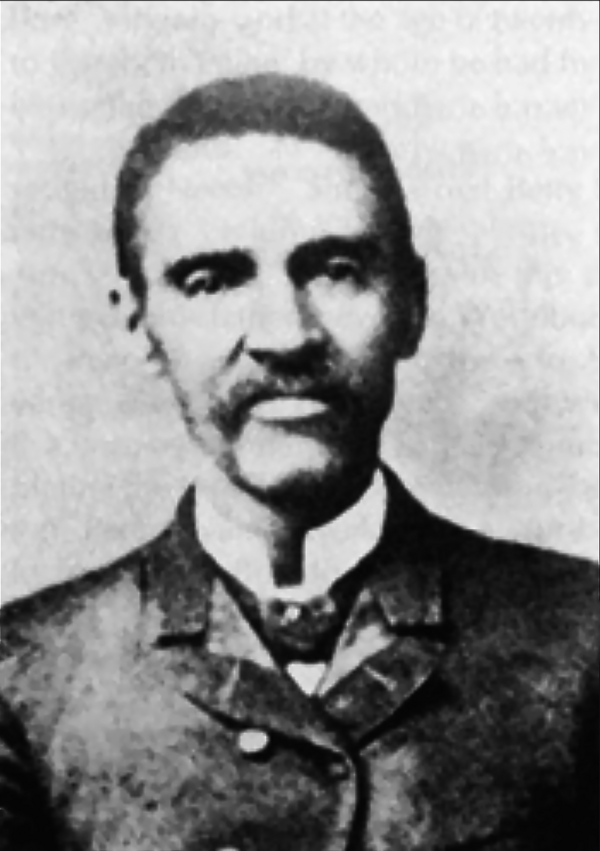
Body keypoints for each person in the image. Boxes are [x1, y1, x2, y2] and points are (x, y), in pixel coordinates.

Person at [0, 73, 597, 851]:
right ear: (138, 323)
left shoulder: (581, 641)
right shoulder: (24, 683)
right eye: (213, 280)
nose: (285, 334)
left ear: (412, 303)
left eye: (337, 269)